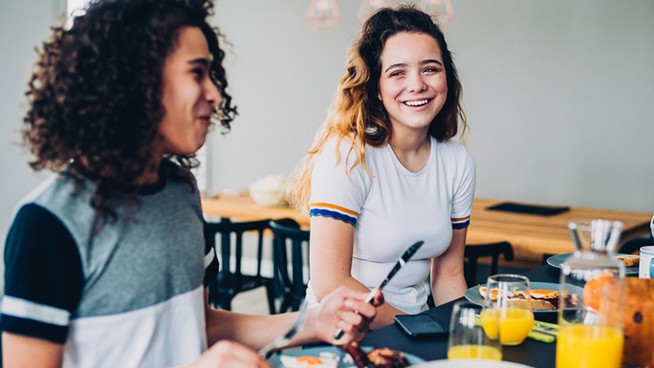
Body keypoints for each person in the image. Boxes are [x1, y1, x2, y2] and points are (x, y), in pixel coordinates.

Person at [0, 0, 381, 367]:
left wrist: (314, 321)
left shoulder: (180, 192)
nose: (215, 94)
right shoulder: (48, 224)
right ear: (135, 80)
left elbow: (201, 326)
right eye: (196, 73)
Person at [288, 5, 475, 328]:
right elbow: (331, 283)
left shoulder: (457, 162)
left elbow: (449, 274)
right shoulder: (347, 155)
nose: (416, 84)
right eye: (397, 72)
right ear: (376, 86)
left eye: (430, 68)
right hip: (341, 330)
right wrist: (416, 330)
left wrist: (461, 336)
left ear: (447, 76)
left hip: (415, 329)